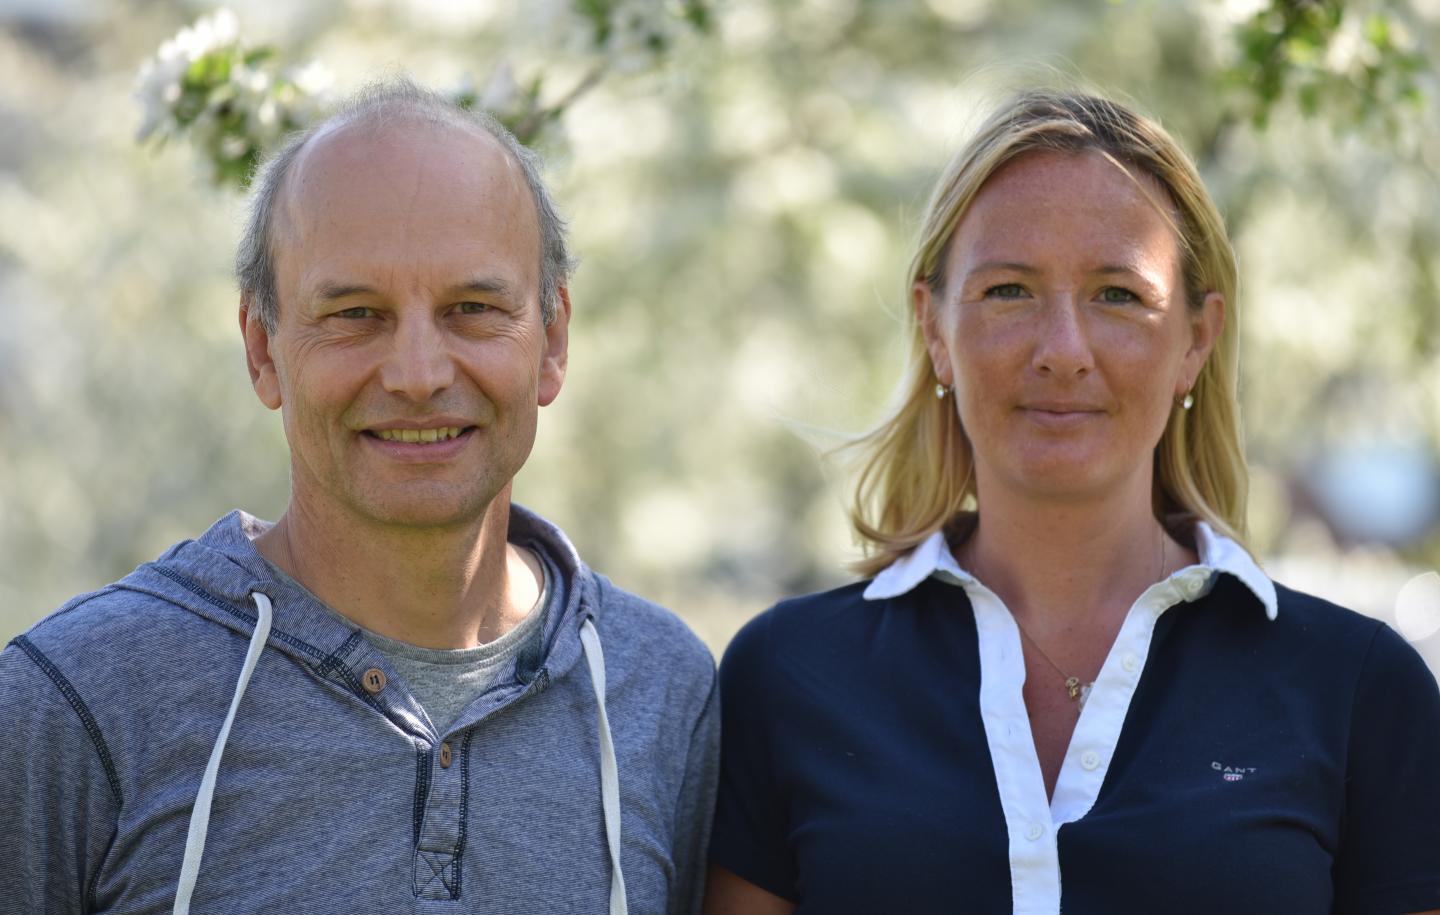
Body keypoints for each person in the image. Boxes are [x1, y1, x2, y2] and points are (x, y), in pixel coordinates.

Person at [704, 89, 1440, 914]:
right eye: (1010, 290)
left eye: (1118, 294)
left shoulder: (1359, 690)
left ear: (1196, 339)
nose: (1062, 351)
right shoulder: (787, 676)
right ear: (935, 329)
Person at [0, 78, 717, 915]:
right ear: (262, 349)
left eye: (473, 308)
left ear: (553, 339)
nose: (418, 375)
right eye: (355, 314)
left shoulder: (661, 690)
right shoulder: (76, 701)